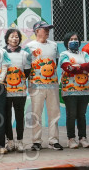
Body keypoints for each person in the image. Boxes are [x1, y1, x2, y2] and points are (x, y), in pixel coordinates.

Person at [23, 21, 63, 151]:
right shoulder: (29, 46)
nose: (47, 31)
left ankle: (53, 140)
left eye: (48, 29)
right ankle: (36, 141)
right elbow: (26, 65)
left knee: (54, 113)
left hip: (52, 84)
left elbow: (55, 62)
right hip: (36, 85)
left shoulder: (54, 46)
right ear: (36, 31)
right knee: (36, 113)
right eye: (44, 29)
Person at [60, 32, 89, 149]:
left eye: (76, 39)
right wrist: (83, 67)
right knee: (71, 114)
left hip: (84, 89)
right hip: (69, 90)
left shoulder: (84, 54)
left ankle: (82, 138)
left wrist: (76, 67)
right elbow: (67, 68)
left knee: (81, 115)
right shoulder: (64, 54)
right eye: (71, 39)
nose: (74, 41)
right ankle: (71, 139)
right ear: (66, 42)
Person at [3, 28, 31, 152]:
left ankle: (20, 141)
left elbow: (27, 71)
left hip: (20, 91)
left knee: (20, 116)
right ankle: (9, 141)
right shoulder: (2, 53)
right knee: (7, 116)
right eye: (12, 36)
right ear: (7, 39)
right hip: (5, 90)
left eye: (17, 37)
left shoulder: (25, 54)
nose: (15, 39)